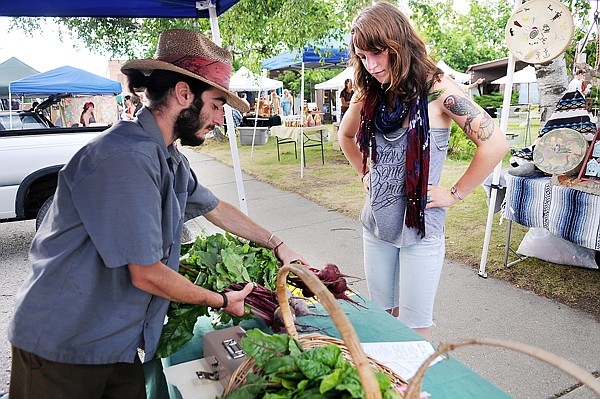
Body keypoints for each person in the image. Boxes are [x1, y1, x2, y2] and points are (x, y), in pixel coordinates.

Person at [8, 28, 306, 399]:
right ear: (184, 94)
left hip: (113, 341)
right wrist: (221, 301)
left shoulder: (168, 157)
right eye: (216, 104)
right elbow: (147, 274)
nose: (218, 119)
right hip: (64, 342)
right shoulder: (126, 158)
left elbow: (215, 207)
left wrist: (278, 245)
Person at [338, 2, 509, 340]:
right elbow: (345, 136)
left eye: (378, 53)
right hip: (376, 225)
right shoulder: (369, 92)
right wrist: (365, 173)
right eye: (362, 56)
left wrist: (455, 193)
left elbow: (495, 145)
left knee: (414, 332)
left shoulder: (438, 91)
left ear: (399, 45)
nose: (371, 65)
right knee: (382, 320)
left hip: (420, 229)